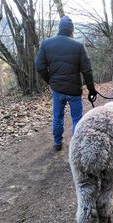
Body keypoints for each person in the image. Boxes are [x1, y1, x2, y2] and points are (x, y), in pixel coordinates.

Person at [35, 15, 97, 151]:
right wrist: (92, 90)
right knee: (77, 119)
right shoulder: (79, 46)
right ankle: (76, 147)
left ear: (59, 28)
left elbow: (39, 66)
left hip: (57, 90)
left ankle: (57, 143)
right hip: (74, 90)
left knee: (57, 117)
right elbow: (87, 71)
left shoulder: (46, 44)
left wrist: (50, 81)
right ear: (72, 30)